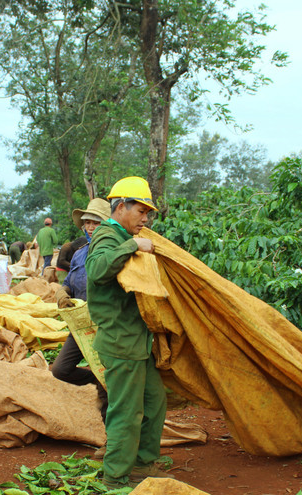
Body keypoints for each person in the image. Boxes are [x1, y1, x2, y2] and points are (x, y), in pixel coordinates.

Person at [85, 177, 172, 489]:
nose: (146, 218)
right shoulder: (108, 236)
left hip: (137, 341)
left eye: (149, 213)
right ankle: (116, 476)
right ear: (120, 207)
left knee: (154, 401)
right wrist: (132, 245)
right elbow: (96, 270)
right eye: (141, 211)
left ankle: (143, 463)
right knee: (127, 411)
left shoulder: (122, 234)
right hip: (121, 341)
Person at [52, 198, 111, 415]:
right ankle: (95, 379)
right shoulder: (79, 253)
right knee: (60, 370)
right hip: (81, 325)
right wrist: (62, 292)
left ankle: (110, 443)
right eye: (87, 223)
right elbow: (68, 282)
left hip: (105, 326)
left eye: (96, 222)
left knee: (107, 381)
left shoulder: (111, 252)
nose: (90, 227)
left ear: (106, 224)